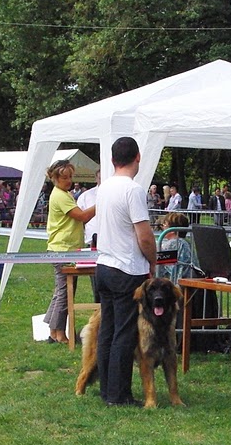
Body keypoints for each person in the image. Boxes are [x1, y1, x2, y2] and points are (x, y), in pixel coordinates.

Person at [96, 137, 156, 406]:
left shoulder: (104, 187)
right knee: (124, 333)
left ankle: (106, 389)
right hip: (127, 268)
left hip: (104, 266)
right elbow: (144, 236)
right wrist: (153, 262)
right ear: (138, 157)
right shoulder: (133, 190)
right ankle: (118, 395)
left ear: (112, 160)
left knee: (107, 331)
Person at [44, 160, 96, 344]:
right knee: (65, 293)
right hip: (63, 250)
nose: (69, 181)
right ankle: (60, 334)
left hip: (64, 249)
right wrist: (101, 203)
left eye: (70, 177)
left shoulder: (62, 194)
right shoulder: (61, 196)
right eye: (64, 177)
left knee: (61, 292)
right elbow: (82, 216)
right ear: (55, 178)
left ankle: (52, 331)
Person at [77, 168, 101, 302]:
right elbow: (79, 220)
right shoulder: (86, 196)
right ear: (96, 178)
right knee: (96, 283)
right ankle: (98, 310)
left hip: (113, 243)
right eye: (100, 177)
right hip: (92, 243)